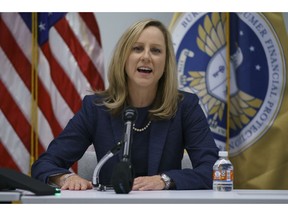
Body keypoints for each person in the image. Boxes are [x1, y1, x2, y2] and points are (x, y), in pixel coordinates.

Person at [31, 18, 219, 191]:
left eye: (156, 50)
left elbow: (214, 170)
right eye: (137, 48)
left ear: (166, 62)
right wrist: (65, 178)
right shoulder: (96, 108)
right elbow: (45, 164)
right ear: (124, 58)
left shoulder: (185, 107)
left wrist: (165, 180)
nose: (146, 56)